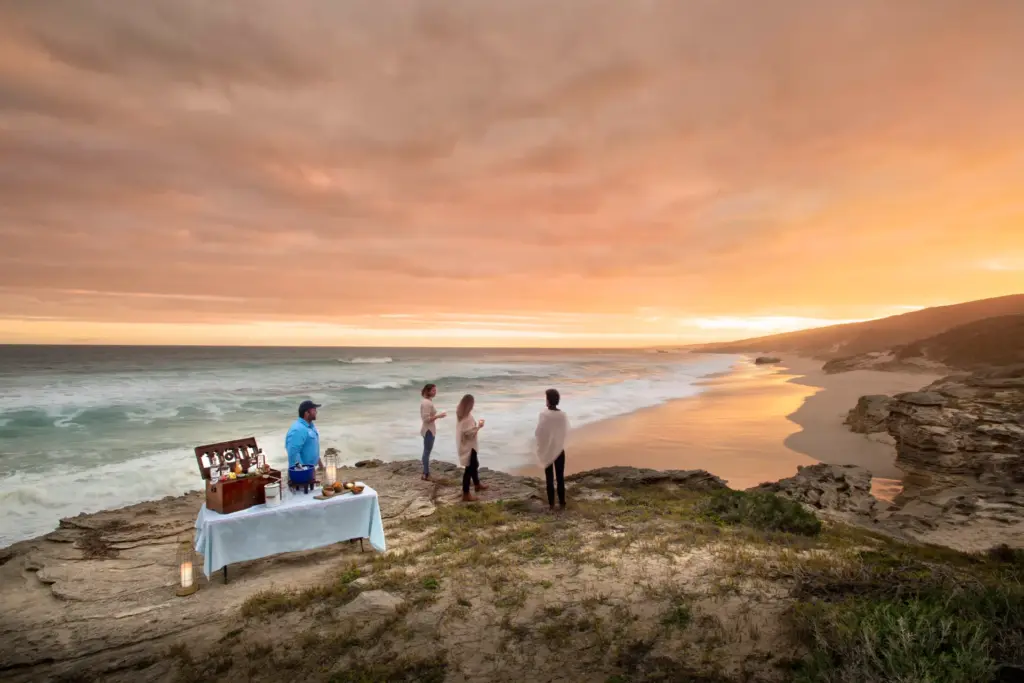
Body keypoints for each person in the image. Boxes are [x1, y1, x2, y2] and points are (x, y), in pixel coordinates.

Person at [535, 388, 569, 510]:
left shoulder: (544, 415)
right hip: (559, 449)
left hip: (547, 450)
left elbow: (539, 432)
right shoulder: (562, 415)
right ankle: (562, 503)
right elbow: (565, 432)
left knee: (549, 477)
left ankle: (551, 505)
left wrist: (540, 446)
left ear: (548, 400)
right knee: (560, 477)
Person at [455, 394, 488, 502]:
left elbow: (464, 431)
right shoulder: (467, 418)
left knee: (474, 464)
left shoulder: (461, 414)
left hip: (464, 445)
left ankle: (477, 484)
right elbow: (468, 433)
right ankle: (466, 494)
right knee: (469, 468)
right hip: (469, 446)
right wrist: (479, 426)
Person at [419, 383, 447, 481]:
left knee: (426, 451)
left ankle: (425, 473)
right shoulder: (427, 403)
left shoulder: (428, 401)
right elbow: (426, 419)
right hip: (428, 430)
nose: (435, 392)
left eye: (435, 390)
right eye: (433, 390)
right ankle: (426, 474)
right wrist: (439, 416)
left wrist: (437, 417)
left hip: (428, 429)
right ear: (428, 391)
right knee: (427, 452)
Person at [285, 400, 322, 469]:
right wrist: (304, 472)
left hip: (311, 470)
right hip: (301, 474)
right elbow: (293, 454)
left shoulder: (311, 427)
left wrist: (321, 465)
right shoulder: (297, 430)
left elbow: (313, 447)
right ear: (306, 413)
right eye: (314, 410)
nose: (316, 412)